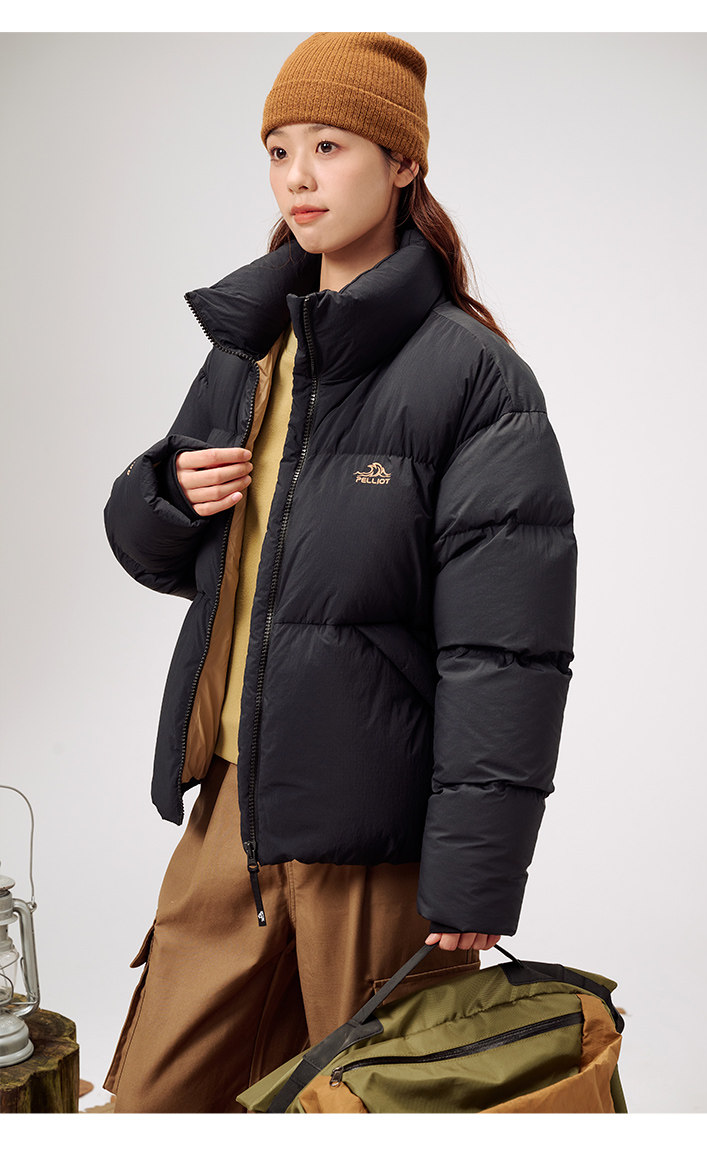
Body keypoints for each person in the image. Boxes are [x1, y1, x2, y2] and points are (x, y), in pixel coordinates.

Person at [102, 32, 577, 1114]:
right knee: (152, 1106)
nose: (298, 178)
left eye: (330, 146)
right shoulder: (249, 348)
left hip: (375, 837)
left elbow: (507, 650)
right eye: (279, 151)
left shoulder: (475, 379)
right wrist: (167, 493)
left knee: (370, 1113)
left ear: (403, 163)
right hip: (232, 808)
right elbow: (165, 558)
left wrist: (476, 872)